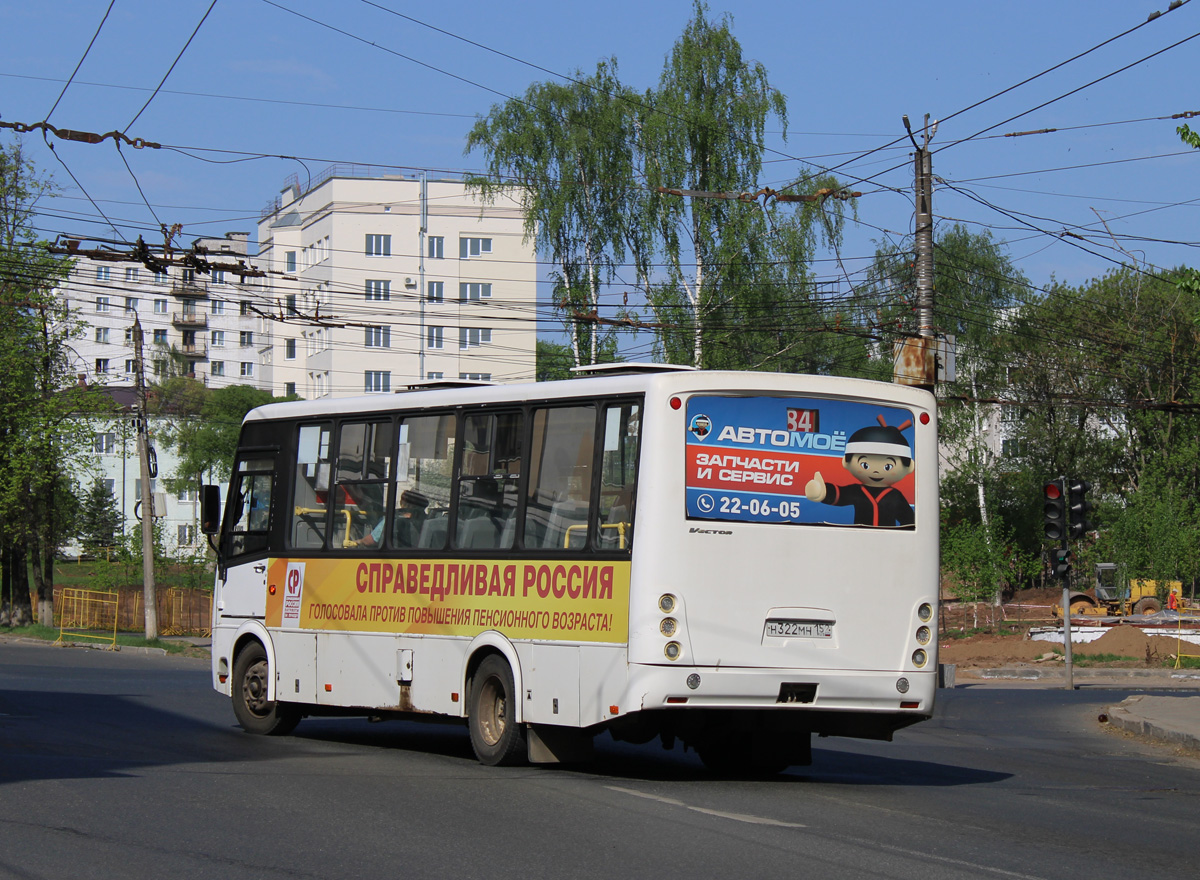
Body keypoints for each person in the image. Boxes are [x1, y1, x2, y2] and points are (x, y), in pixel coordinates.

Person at [804, 416, 915, 528]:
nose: (876, 471)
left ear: (909, 467)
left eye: (888, 466)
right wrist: (822, 492)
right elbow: (840, 495)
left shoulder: (895, 496)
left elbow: (908, 519)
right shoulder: (857, 491)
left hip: (888, 541)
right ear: (846, 462)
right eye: (865, 465)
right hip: (858, 540)